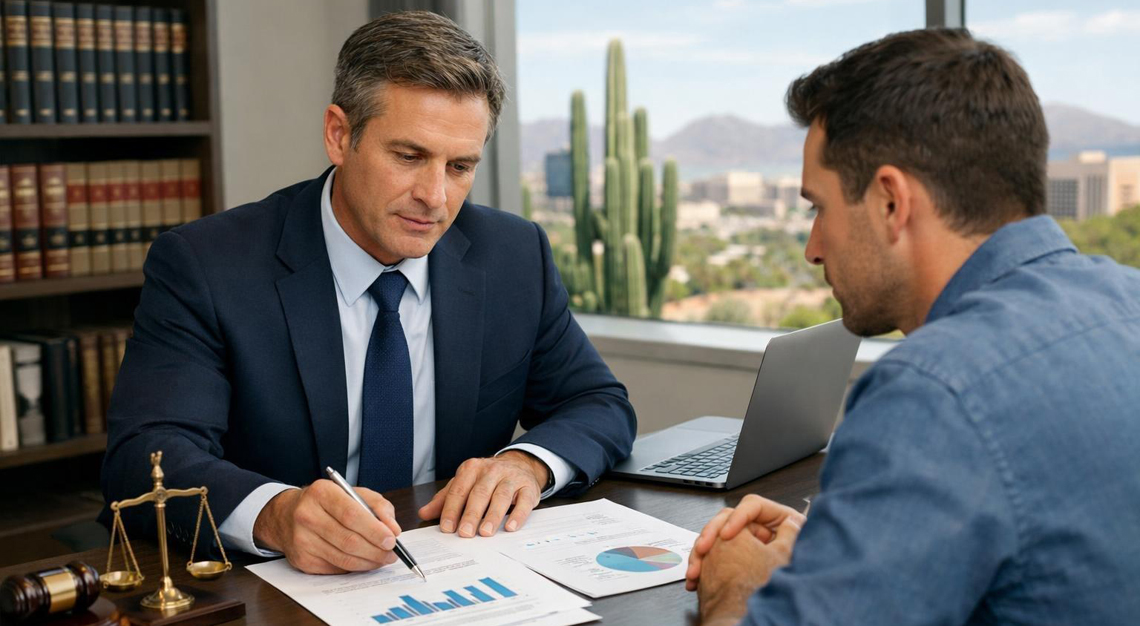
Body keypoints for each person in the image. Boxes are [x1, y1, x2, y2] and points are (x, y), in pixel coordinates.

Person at [100, 11, 636, 576]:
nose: (434, 196)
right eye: (408, 157)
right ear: (339, 135)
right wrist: (277, 515)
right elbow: (147, 455)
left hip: (457, 574)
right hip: (273, 588)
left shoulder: (513, 254)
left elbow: (597, 403)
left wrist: (528, 463)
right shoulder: (207, 265)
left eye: (459, 166)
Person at [686, 28, 1140, 625]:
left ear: (891, 202)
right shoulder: (1127, 300)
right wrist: (848, 551)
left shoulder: (934, 392)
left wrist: (738, 583)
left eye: (819, 207)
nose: (812, 248)